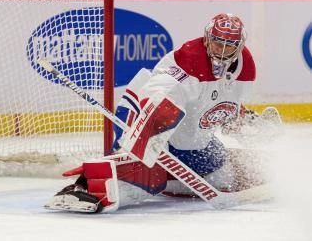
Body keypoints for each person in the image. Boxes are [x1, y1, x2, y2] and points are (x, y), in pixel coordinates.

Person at [45, 13, 271, 213]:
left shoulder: (245, 70)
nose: (221, 51)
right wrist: (156, 120)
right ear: (207, 38)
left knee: (241, 173)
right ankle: (85, 187)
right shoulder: (190, 58)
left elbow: (223, 108)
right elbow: (160, 88)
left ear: (239, 46)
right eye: (217, 42)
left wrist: (244, 121)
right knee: (144, 173)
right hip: (158, 131)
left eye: (229, 45)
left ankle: (165, 179)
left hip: (196, 144)